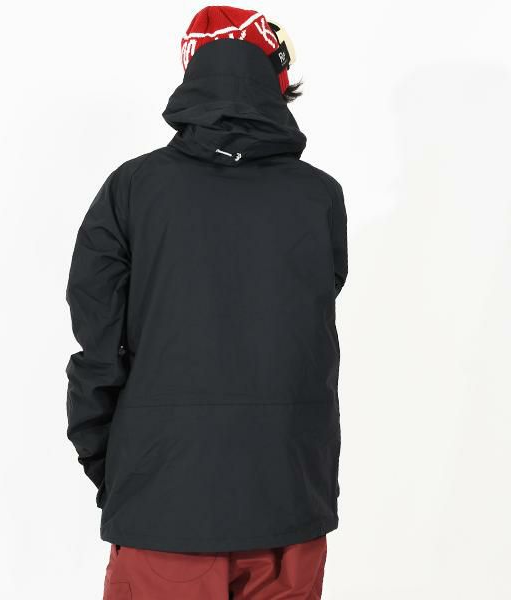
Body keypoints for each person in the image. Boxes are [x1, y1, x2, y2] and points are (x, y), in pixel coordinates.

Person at [65, 6, 347, 599]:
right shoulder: (320, 198)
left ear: (191, 73)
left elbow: (97, 350)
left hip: (163, 507)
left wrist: (120, 470)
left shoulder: (133, 189)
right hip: (290, 505)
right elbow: (312, 345)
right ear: (278, 77)